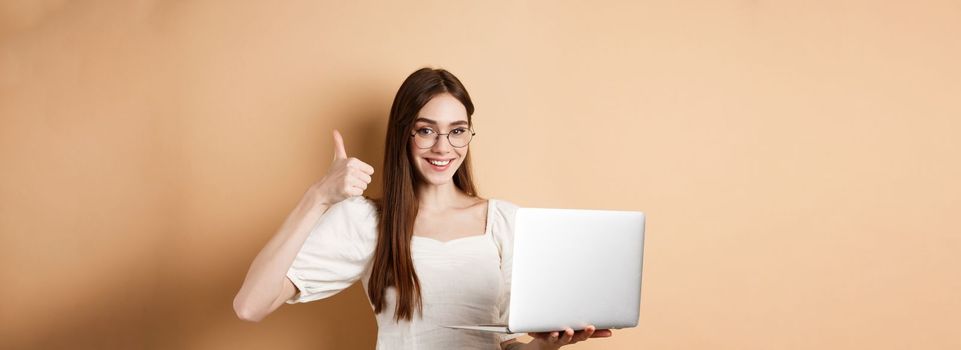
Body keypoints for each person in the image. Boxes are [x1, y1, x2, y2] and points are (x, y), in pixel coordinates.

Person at [233, 68, 613, 349]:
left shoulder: (504, 221)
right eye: (426, 130)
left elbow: (506, 342)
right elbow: (251, 306)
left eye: (457, 130)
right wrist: (317, 197)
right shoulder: (367, 222)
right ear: (404, 134)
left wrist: (545, 346)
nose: (443, 147)